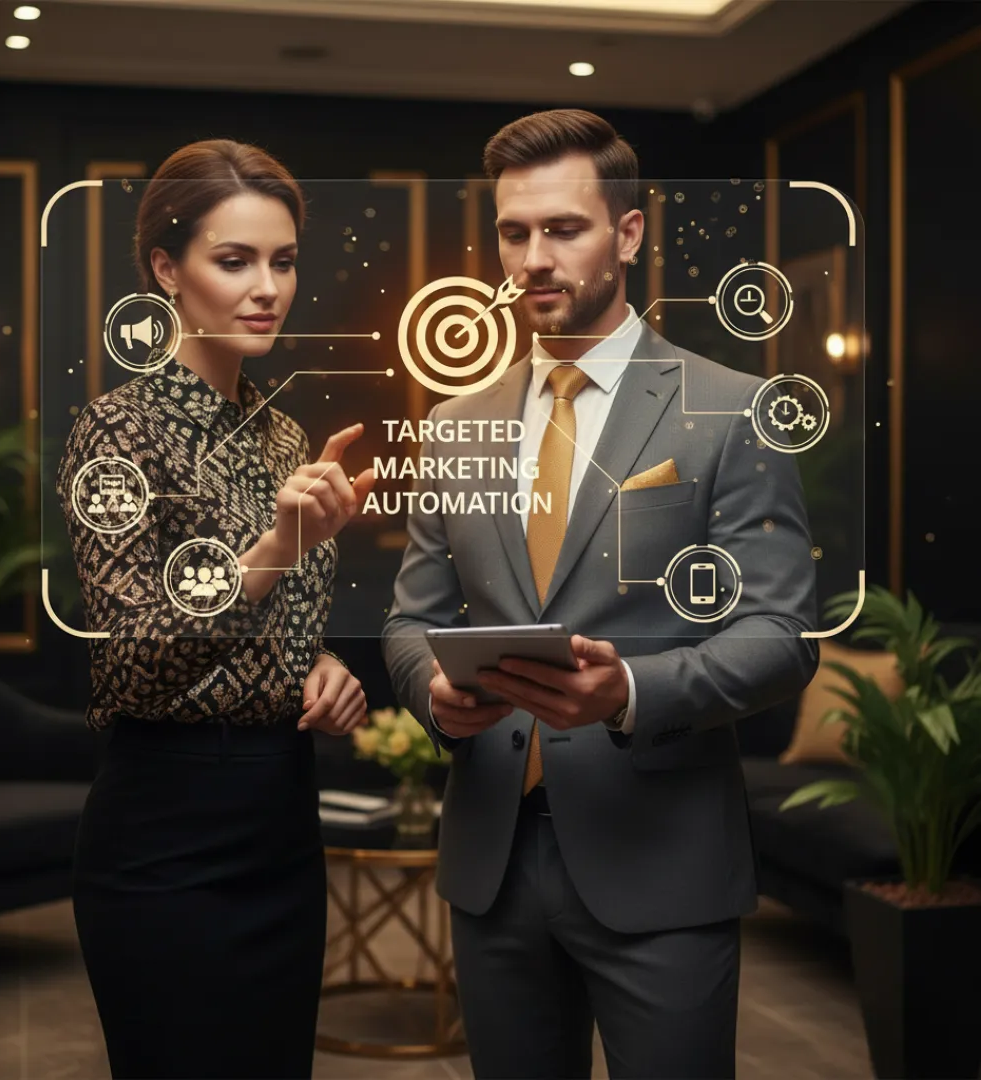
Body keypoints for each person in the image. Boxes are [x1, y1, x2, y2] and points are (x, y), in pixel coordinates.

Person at [382, 109, 818, 1078]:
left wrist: (630, 691)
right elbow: (410, 620)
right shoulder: (455, 427)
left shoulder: (732, 411)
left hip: (661, 861)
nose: (533, 258)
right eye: (513, 232)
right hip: (492, 861)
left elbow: (782, 634)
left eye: (563, 229)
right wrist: (434, 694)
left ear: (627, 233)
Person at [56, 139, 376, 1079]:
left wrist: (321, 672)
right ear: (168, 267)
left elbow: (285, 637)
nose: (266, 285)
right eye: (233, 260)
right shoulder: (116, 427)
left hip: (280, 815)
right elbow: (130, 659)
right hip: (165, 828)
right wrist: (274, 551)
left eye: (281, 261)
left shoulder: (285, 436)